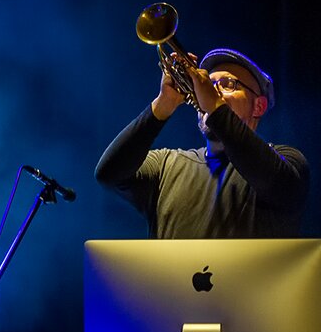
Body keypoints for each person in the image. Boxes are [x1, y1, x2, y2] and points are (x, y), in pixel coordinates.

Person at [95, 47, 309, 238]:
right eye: (209, 84)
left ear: (258, 107)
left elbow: (280, 182)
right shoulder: (166, 165)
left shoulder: (287, 159)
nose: (209, 91)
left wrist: (215, 106)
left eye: (228, 84)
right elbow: (108, 174)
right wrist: (163, 104)